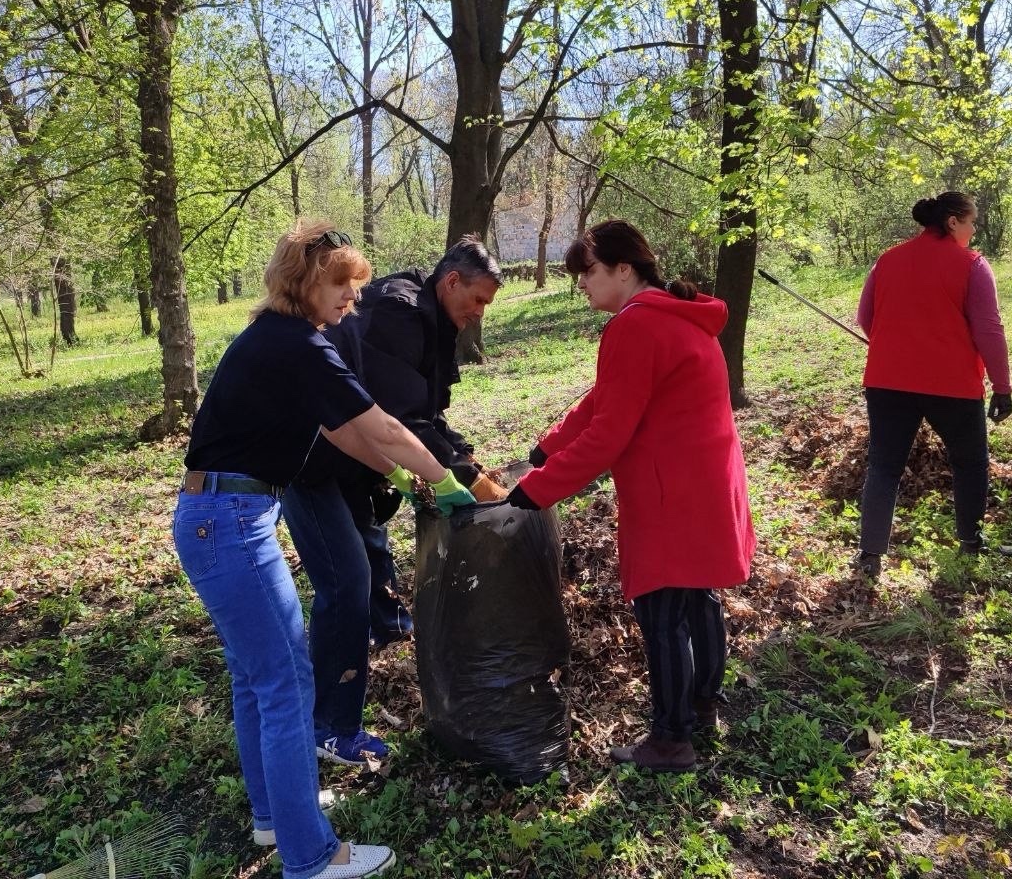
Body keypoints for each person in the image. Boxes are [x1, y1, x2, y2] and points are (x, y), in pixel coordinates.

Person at [172, 221, 474, 879]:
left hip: (215, 513)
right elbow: (386, 426)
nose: (352, 300)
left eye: (356, 286)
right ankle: (310, 857)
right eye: (341, 284)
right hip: (230, 520)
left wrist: (398, 476)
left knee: (257, 682)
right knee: (285, 684)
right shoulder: (300, 345)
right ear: (305, 280)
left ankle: (274, 818)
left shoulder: (280, 339)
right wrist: (443, 481)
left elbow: (344, 433)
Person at [504, 218, 756, 774]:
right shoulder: (676, 316)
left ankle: (671, 740)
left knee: (664, 611)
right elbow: (606, 398)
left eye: (589, 272)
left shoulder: (636, 326)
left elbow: (608, 434)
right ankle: (702, 703)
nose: (583, 285)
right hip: (704, 483)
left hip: (669, 492)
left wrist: (537, 490)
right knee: (698, 597)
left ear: (625, 268)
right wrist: (548, 448)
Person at [301, 236, 505, 660]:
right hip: (321, 450)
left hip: (363, 447)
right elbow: (403, 417)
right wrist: (462, 480)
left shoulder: (438, 322)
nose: (479, 312)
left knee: (369, 536)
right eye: (478, 299)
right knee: (348, 563)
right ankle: (348, 660)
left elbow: (430, 414)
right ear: (451, 281)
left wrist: (467, 459)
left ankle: (391, 632)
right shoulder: (401, 313)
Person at [851, 191, 1012, 580]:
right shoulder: (972, 265)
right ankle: (971, 543)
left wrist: (894, 347)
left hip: (888, 381)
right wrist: (1002, 386)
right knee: (970, 462)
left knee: (885, 466)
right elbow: (989, 329)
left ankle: (871, 554)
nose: (974, 231)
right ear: (954, 221)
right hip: (952, 385)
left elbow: (864, 316)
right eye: (972, 222)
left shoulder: (888, 260)